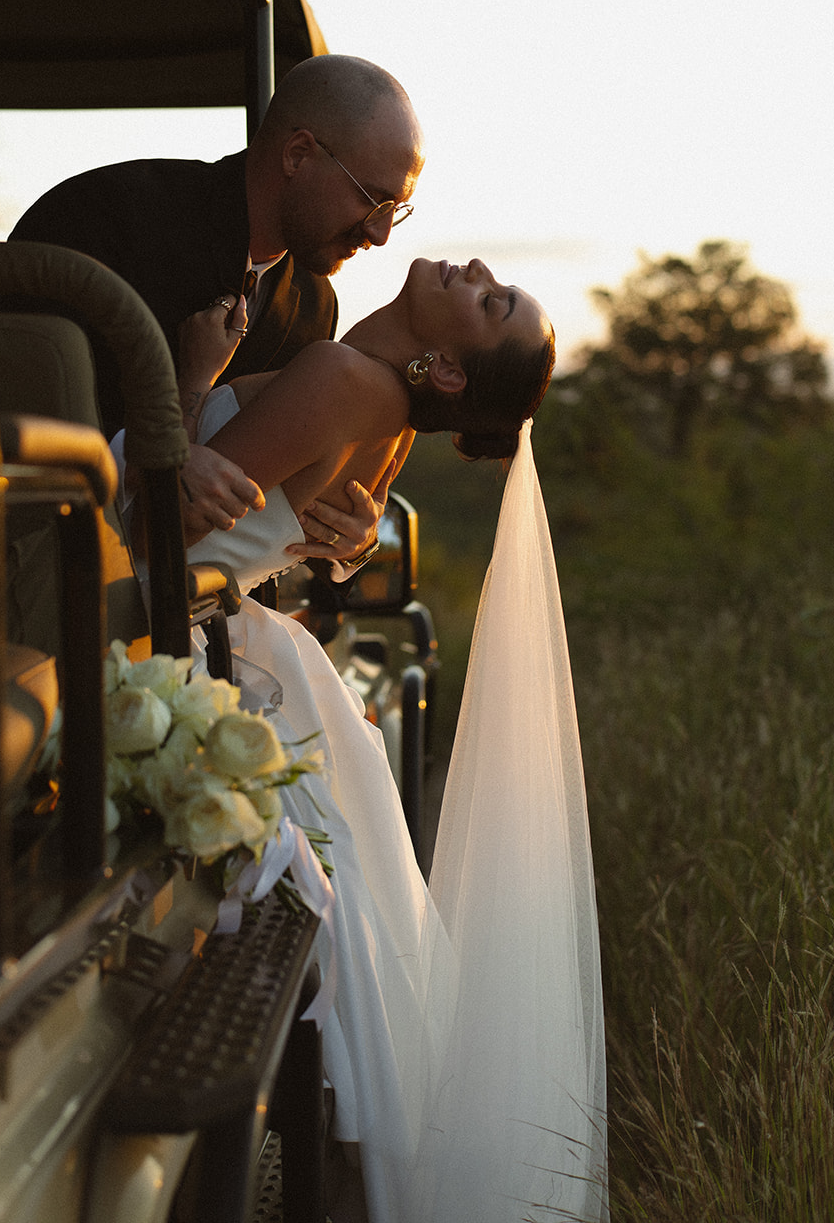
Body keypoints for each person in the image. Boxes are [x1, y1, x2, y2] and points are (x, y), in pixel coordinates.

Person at [118, 258, 609, 1223]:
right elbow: (282, 519)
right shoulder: (383, 418)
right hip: (248, 650)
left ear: (453, 372)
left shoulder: (342, 379)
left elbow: (159, 524)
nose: (475, 272)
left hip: (153, 628)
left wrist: (184, 382)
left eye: (491, 302)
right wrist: (338, 541)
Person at [10, 53, 424, 560]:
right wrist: (157, 457)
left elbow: (257, 511)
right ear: (297, 155)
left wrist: (351, 539)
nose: (380, 235)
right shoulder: (103, 218)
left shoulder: (314, 308)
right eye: (372, 200)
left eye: (395, 212)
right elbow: (8, 409)